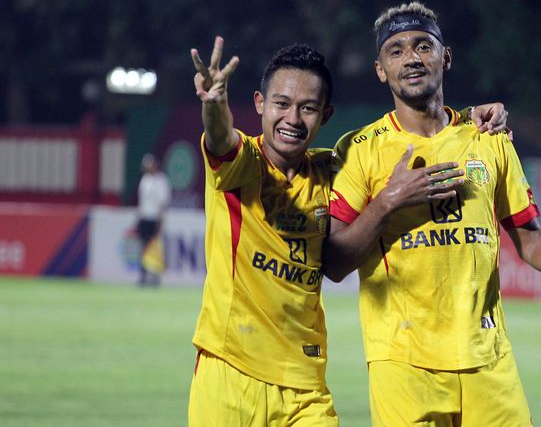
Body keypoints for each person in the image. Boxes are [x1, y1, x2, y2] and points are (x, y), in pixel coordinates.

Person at [187, 36, 509, 427]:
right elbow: (221, 138)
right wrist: (214, 104)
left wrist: (472, 115)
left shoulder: (333, 170)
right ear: (259, 104)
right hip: (229, 370)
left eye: (308, 108)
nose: (292, 119)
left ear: (325, 116)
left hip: (305, 385)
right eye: (281, 104)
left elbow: (397, 138)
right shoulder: (242, 165)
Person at [323, 1, 541, 427]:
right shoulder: (360, 149)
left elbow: (529, 237)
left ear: (446, 57)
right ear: (380, 69)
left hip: (487, 358)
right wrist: (388, 201)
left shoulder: (489, 139)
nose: (411, 58)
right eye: (395, 51)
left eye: (423, 46)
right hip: (403, 364)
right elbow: (335, 262)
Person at [136, 153, 171, 286]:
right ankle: (143, 276)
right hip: (144, 217)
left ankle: (156, 276)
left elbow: (162, 204)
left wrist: (160, 223)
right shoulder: (144, 180)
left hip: (154, 218)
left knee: (155, 248)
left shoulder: (161, 180)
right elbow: (142, 201)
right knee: (143, 248)